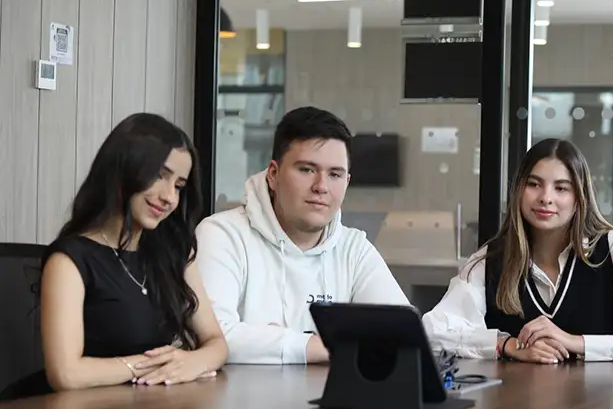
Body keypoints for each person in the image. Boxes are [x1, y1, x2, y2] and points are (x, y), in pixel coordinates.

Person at [422, 138, 613, 363]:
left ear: (579, 198)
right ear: (518, 190)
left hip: (602, 399)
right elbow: (434, 332)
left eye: (561, 188)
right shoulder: (490, 259)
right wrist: (507, 345)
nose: (546, 197)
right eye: (534, 184)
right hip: (512, 399)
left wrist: (575, 342)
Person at [196, 106, 408, 364]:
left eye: (335, 174)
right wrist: (322, 346)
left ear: (347, 182)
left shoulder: (354, 249)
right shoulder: (222, 235)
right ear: (273, 175)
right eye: (307, 170)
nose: (321, 187)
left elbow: (403, 335)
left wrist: (267, 341)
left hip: (328, 391)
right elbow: (213, 339)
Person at [36, 113, 228, 393]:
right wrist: (156, 365)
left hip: (149, 406)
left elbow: (217, 343)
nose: (169, 197)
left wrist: (193, 361)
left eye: (178, 186)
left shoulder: (173, 251)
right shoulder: (69, 260)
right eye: (159, 175)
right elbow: (66, 374)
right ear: (124, 168)